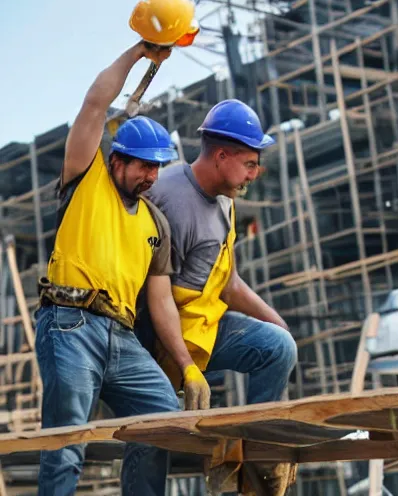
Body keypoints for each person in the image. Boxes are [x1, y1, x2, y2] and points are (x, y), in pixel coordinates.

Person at [34, 42, 209, 496]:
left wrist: (188, 366)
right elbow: (95, 103)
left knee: (161, 418)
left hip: (124, 337)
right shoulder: (85, 176)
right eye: (142, 167)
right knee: (67, 440)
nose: (151, 177)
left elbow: (161, 302)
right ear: (116, 161)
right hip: (70, 323)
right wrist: (140, 53)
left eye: (157, 168)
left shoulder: (157, 224)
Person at [144, 98, 298, 411]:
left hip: (204, 329)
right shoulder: (167, 199)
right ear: (222, 156)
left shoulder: (226, 199)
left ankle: (256, 449)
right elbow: (152, 298)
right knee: (157, 439)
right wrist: (185, 366)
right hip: (159, 341)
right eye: (250, 164)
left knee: (278, 346)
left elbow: (230, 284)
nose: (254, 175)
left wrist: (279, 326)